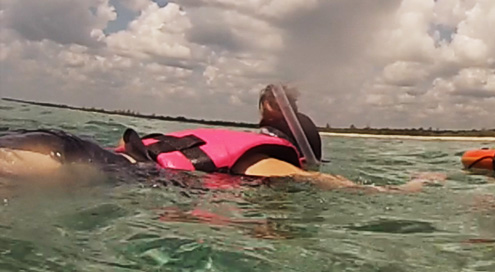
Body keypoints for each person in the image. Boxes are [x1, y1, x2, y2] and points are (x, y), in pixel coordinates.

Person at [1, 85, 445, 192]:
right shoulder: (268, 162)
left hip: (79, 150)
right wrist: (407, 188)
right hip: (93, 168)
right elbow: (332, 185)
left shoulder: (230, 142)